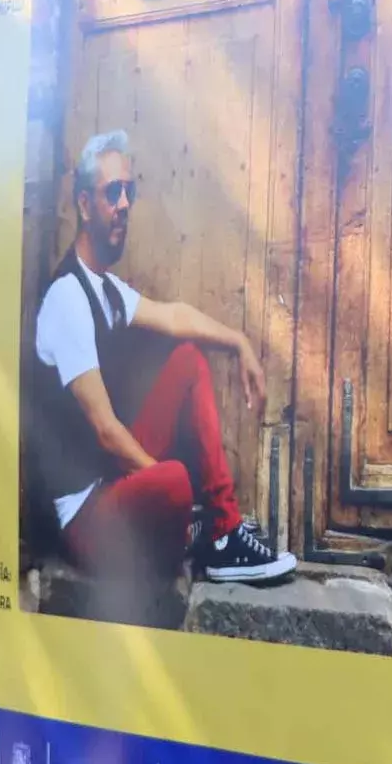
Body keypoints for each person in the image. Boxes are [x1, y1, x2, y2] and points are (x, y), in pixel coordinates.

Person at [28, 129, 295, 585]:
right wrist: (165, 485)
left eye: (129, 191)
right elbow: (106, 432)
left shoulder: (105, 288)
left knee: (189, 360)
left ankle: (222, 531)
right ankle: (202, 532)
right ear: (85, 205)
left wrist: (239, 342)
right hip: (83, 520)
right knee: (172, 480)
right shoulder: (68, 298)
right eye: (113, 192)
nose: (125, 204)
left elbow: (174, 317)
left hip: (109, 483)